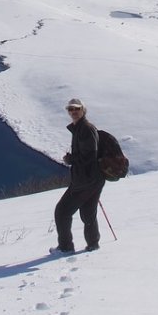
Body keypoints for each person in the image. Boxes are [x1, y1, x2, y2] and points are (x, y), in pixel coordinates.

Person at [53, 97, 104, 253]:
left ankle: (65, 247)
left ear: (83, 110)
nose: (74, 112)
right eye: (71, 109)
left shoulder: (86, 129)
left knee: (62, 212)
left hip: (85, 180)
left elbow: (89, 155)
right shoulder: (79, 128)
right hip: (94, 179)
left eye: (77, 109)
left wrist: (70, 159)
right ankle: (93, 244)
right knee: (88, 212)